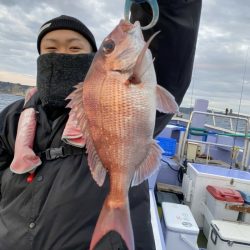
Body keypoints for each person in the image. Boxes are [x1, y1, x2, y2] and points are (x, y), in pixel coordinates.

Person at [0, 1, 202, 249]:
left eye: (75, 47)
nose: (61, 54)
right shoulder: (14, 116)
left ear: (92, 57)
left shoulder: (129, 85)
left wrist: (153, 7)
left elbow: (171, 40)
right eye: (50, 48)